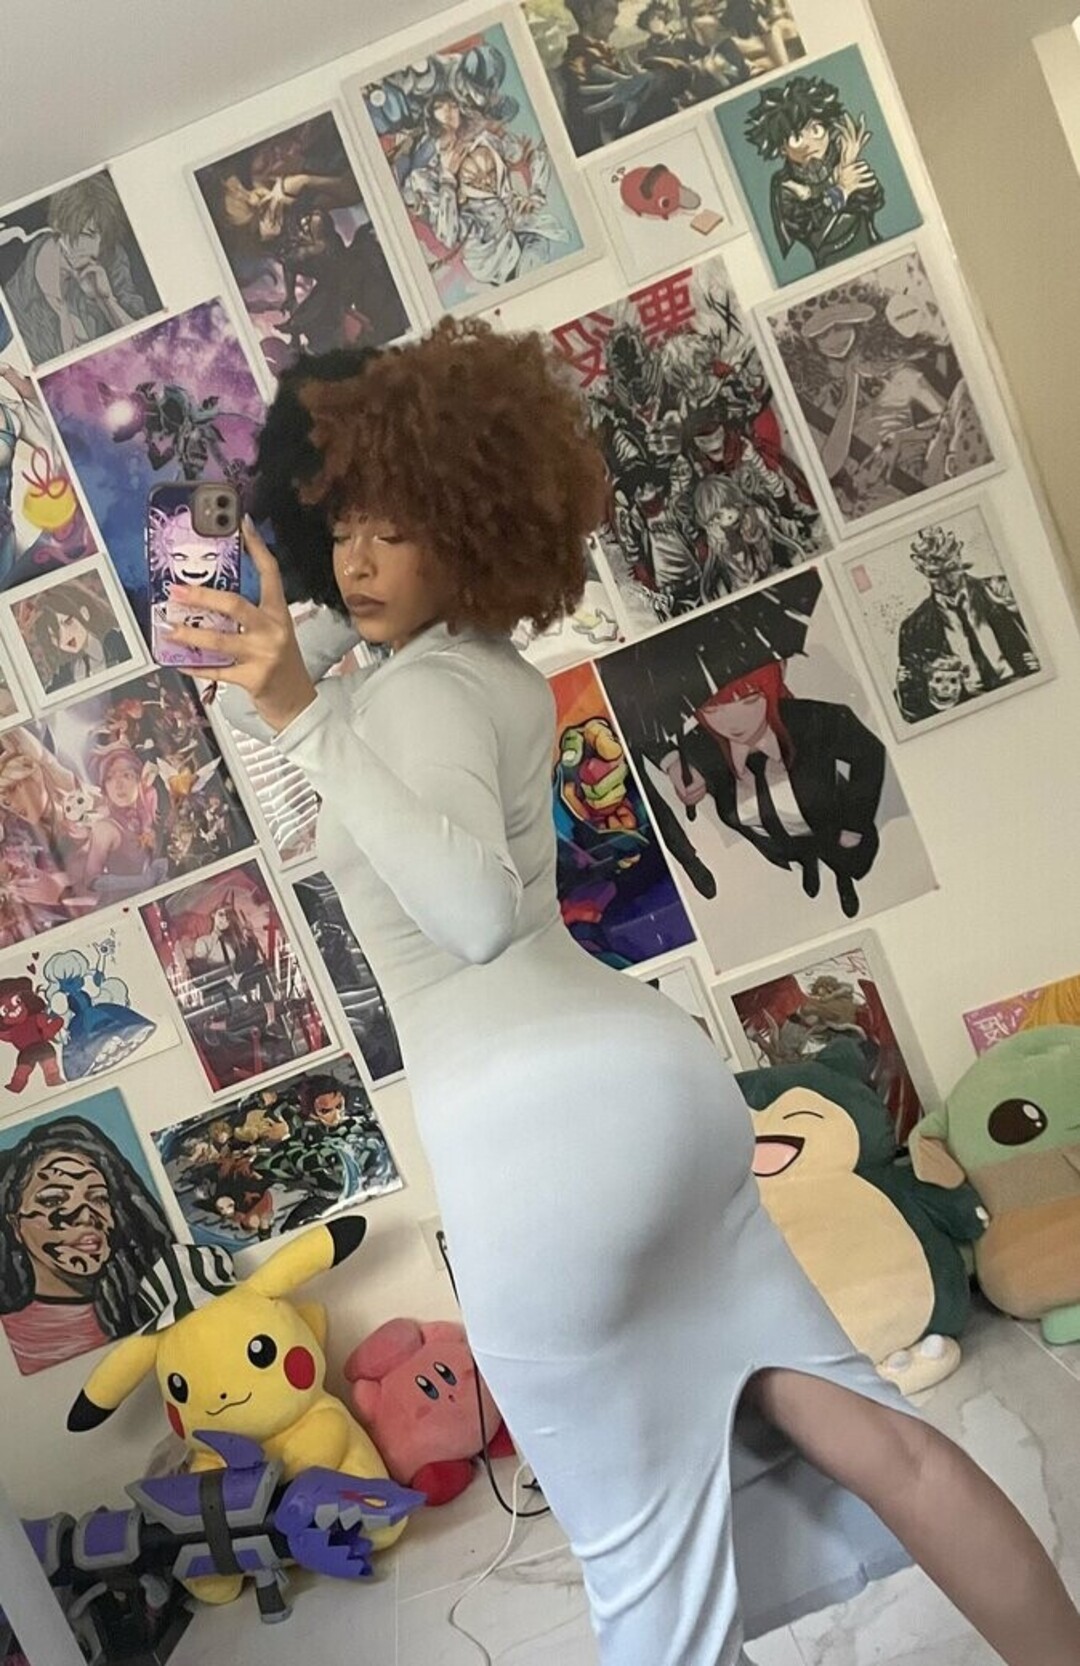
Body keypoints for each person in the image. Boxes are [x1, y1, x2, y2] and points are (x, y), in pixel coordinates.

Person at [169, 321, 1080, 1666]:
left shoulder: (411, 700)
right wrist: (287, 664)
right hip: (653, 1092)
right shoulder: (480, 674)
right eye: (339, 525)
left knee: (646, 1585)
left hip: (537, 1138)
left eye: (394, 527)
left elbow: (474, 913)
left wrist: (305, 717)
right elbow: (332, 699)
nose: (357, 560)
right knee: (872, 1431)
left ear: (468, 521)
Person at [0, 1115, 170, 1376]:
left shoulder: (149, 1305)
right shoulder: (11, 1344)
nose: (86, 1215)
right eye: (53, 1200)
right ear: (15, 1224)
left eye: (98, 1198)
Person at [895, 523, 1039, 723]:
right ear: (923, 572)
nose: (946, 580)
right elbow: (912, 701)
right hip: (968, 710)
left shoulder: (1000, 591)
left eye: (951, 569)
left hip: (1025, 688)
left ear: (960, 561)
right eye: (935, 574)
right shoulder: (914, 627)